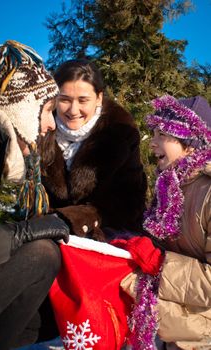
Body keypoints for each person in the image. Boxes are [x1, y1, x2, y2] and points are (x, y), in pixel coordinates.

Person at [123, 95, 211, 350]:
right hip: (174, 328)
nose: (153, 143)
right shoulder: (169, 187)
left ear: (191, 143)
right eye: (155, 133)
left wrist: (160, 264)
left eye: (163, 134)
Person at [0, 40, 70, 350]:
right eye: (46, 111)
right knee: (42, 253)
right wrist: (21, 233)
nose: (51, 123)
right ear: (23, 106)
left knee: (46, 258)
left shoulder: (25, 162)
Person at [40, 59, 148, 241]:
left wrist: (77, 218)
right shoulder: (40, 128)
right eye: (64, 99)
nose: (73, 110)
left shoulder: (120, 131)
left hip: (109, 233)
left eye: (83, 100)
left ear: (98, 98)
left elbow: (131, 200)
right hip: (46, 232)